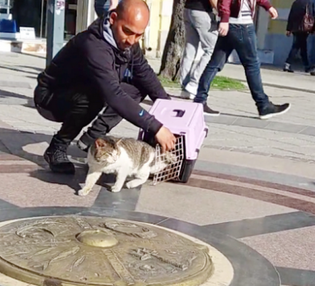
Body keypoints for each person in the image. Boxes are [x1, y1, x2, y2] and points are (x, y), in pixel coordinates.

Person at [34, 0, 176, 174]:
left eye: (139, 35)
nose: (132, 40)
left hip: (85, 89)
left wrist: (171, 109)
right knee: (96, 95)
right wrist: (155, 127)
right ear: (113, 18)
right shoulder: (93, 46)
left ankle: (91, 138)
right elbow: (114, 95)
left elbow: (145, 73)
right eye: (127, 31)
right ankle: (57, 147)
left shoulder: (128, 43)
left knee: (138, 87)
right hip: (51, 97)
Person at [193, 0, 291, 119]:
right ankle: (263, 105)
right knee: (252, 65)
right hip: (241, 25)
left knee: (215, 63)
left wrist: (267, 6)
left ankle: (200, 101)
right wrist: (224, 19)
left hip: (234, 24)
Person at [179, 0, 219, 99]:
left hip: (188, 9)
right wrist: (222, 12)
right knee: (211, 50)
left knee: (190, 49)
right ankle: (194, 83)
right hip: (202, 12)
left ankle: (185, 88)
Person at [283, 0, 315, 73]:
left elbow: (291, 16)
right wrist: (313, 29)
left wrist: (289, 29)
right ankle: (287, 63)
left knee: (302, 47)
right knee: (296, 46)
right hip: (304, 28)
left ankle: (307, 66)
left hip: (295, 28)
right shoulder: (309, 3)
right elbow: (312, 16)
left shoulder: (296, 2)